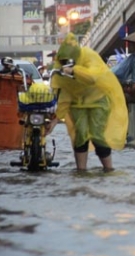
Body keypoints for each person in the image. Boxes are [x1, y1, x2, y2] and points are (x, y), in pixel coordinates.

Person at [46, 32, 128, 172]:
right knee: (80, 136)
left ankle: (108, 169)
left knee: (97, 135)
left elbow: (92, 78)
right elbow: (65, 96)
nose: (66, 63)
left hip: (98, 100)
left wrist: (74, 71)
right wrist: (55, 120)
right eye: (64, 61)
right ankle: (81, 171)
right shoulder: (62, 68)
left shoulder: (89, 56)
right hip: (77, 104)